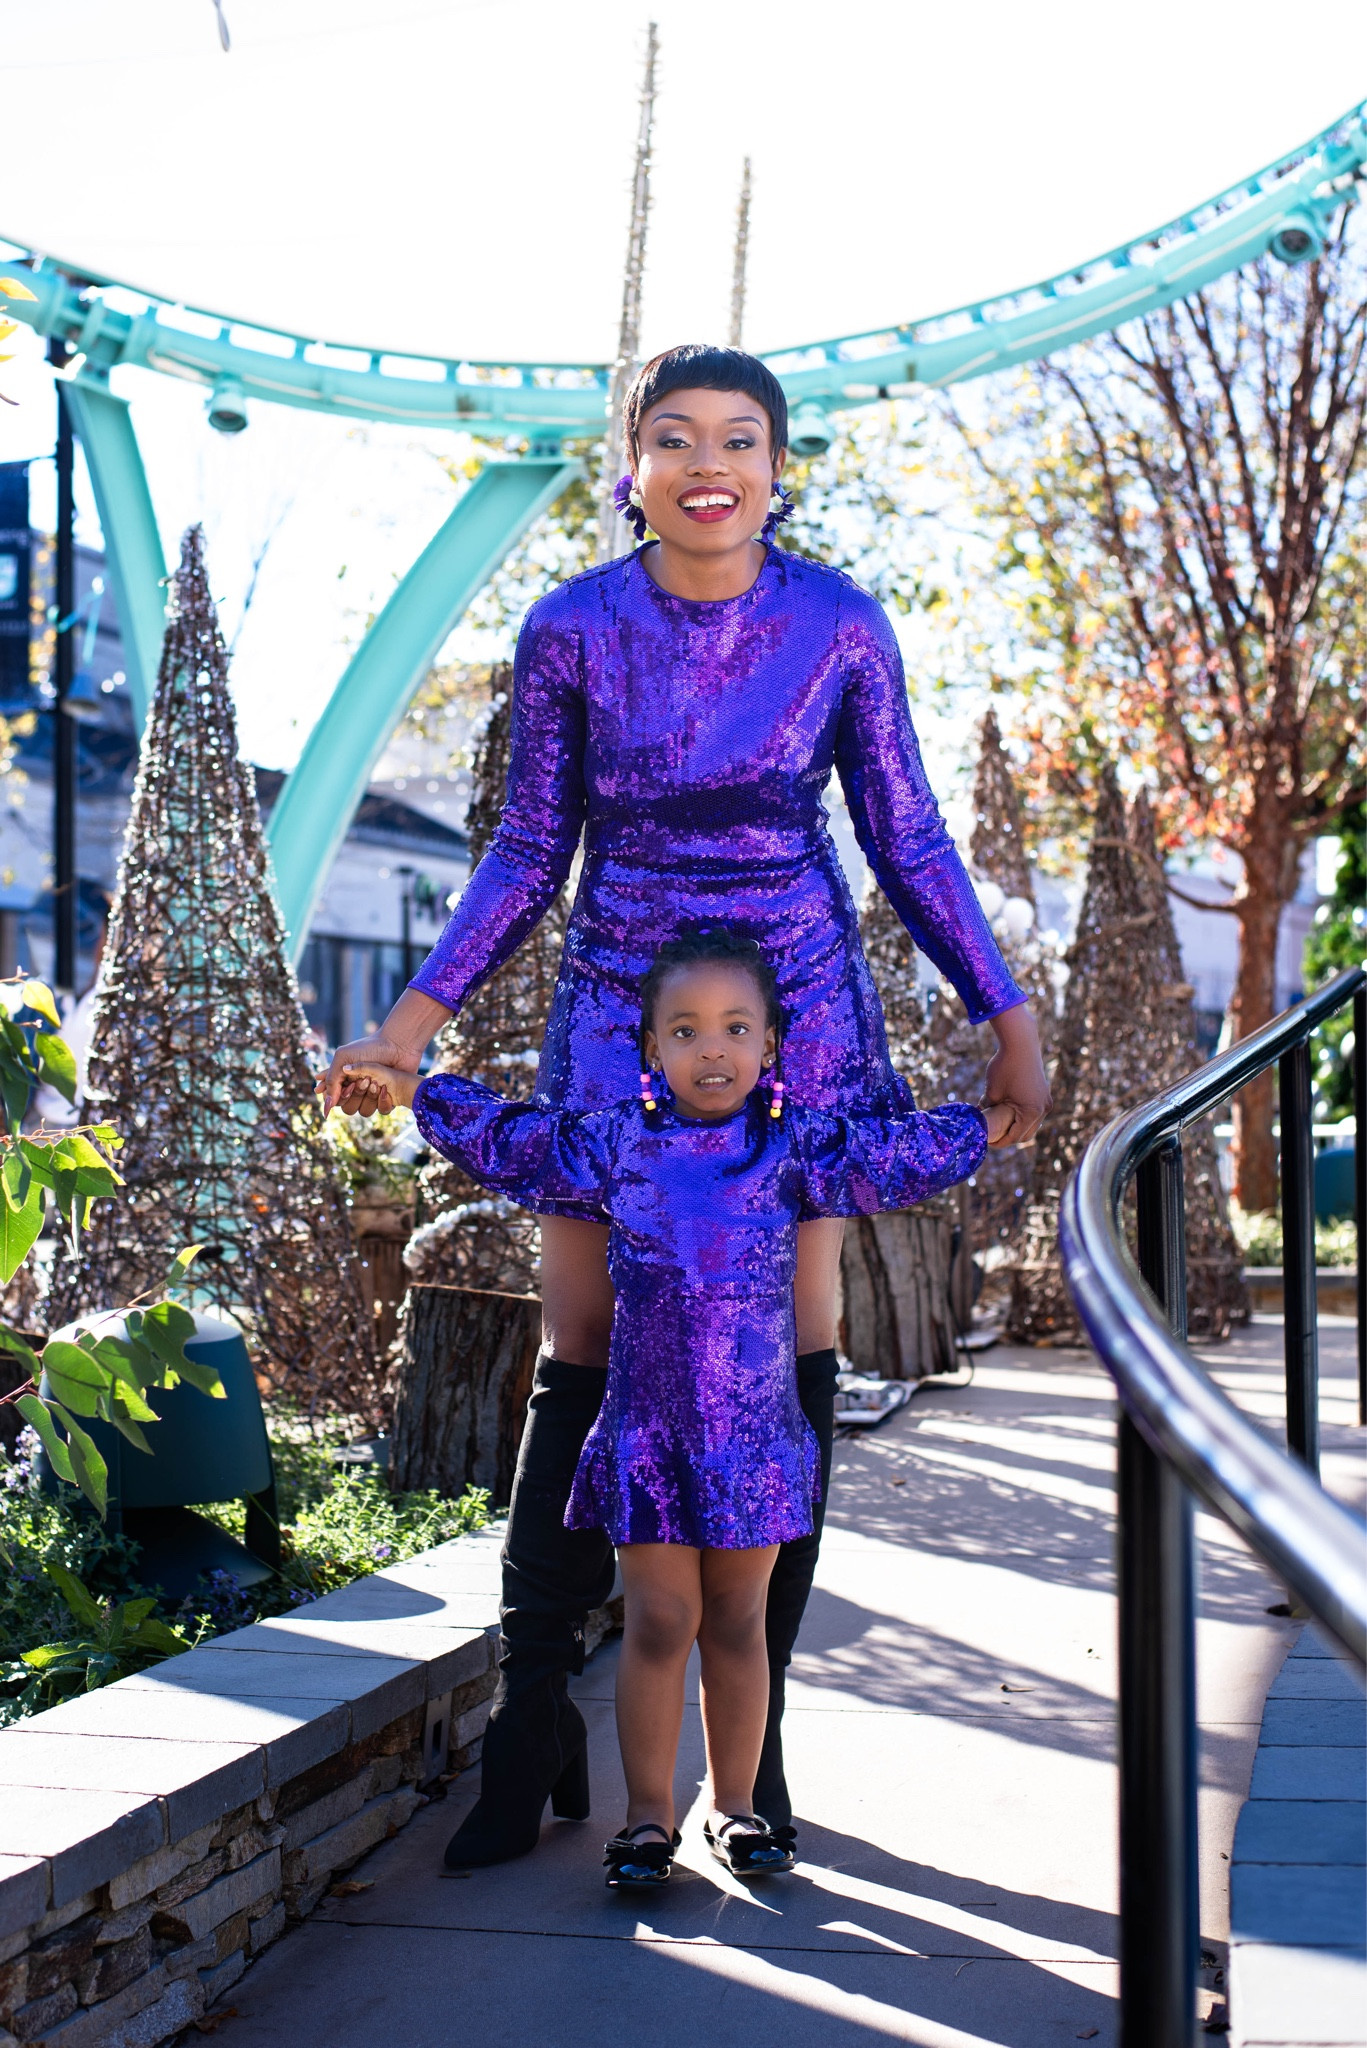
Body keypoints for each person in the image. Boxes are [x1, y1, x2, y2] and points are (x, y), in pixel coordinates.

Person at [318, 341, 1050, 1869]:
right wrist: (407, 1028)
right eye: (671, 435)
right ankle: (532, 1724)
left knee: (780, 1351)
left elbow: (905, 835)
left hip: (792, 1005)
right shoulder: (572, 627)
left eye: (737, 437)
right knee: (581, 1340)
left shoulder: (838, 624)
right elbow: (528, 847)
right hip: (614, 997)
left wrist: (1006, 1015)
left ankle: (751, 1761)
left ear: (778, 467)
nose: (705, 461)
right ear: (630, 464)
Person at [339, 928, 1000, 1886]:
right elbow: (514, 1139)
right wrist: (411, 1087)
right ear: (651, 1048)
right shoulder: (617, 1144)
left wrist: (991, 1121)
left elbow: (895, 1155)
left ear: (770, 1043)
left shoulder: (797, 1148)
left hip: (757, 1438)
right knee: (656, 1623)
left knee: (740, 1625)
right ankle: (646, 1820)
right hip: (649, 1435)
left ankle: (735, 1809)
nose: (712, 1048)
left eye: (735, 1028)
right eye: (685, 1030)